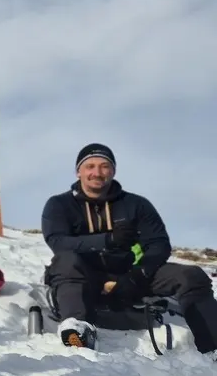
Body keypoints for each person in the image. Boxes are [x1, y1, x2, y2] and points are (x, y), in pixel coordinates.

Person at [41, 143, 217, 352]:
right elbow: (58, 242)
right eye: (90, 166)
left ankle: (212, 344)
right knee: (66, 261)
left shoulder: (136, 205)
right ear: (78, 171)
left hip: (131, 275)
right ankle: (78, 330)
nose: (97, 172)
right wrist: (108, 240)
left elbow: (158, 244)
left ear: (113, 171)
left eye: (104, 166)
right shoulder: (59, 204)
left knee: (192, 276)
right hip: (83, 278)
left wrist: (138, 274)